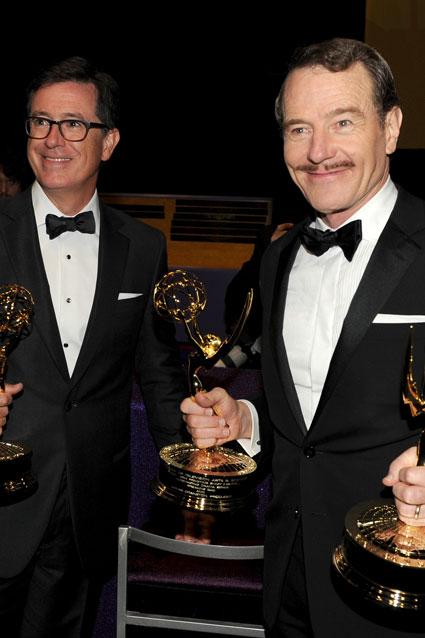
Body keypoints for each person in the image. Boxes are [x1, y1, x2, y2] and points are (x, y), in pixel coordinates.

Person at [181, 37, 425, 636]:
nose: (318, 152)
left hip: (399, 586)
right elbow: (305, 421)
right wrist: (245, 421)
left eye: (343, 122)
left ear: (391, 128)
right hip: (289, 575)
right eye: (298, 129)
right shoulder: (279, 257)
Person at [0, 56, 186, 637]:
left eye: (74, 124)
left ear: (109, 142)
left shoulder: (144, 247)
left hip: (85, 500)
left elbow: (160, 375)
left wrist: (189, 482)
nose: (53, 138)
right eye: (41, 121)